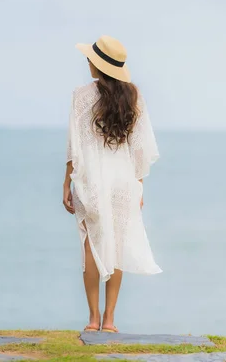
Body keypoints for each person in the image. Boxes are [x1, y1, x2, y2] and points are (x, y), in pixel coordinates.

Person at [63, 35, 162, 333]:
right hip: (124, 180)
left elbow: (74, 146)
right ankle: (110, 320)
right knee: (116, 246)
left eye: (90, 59)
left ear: (98, 64)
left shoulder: (81, 96)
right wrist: (139, 185)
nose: (87, 62)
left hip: (91, 179)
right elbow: (141, 147)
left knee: (91, 245)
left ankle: (92, 319)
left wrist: (67, 183)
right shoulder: (133, 97)